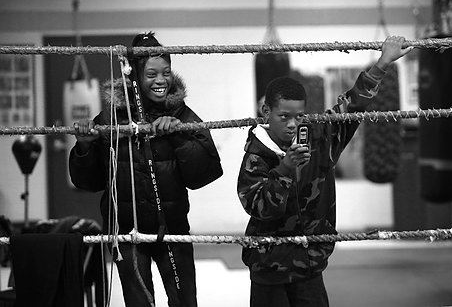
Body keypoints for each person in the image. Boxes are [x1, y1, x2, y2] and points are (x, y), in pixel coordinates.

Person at [237, 36, 411, 307]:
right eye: (284, 116)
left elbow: (351, 105)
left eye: (299, 116)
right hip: (268, 268)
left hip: (309, 264)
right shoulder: (255, 157)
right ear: (266, 112)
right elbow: (260, 209)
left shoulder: (320, 140)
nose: (293, 124)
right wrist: (285, 168)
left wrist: (383, 63)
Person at [69, 32, 223, 307]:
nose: (161, 80)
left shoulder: (182, 115)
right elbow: (88, 182)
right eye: (151, 73)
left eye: (166, 72)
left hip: (173, 229)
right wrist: (84, 147)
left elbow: (206, 173)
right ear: (135, 76)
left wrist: (178, 135)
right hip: (128, 232)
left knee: (184, 301)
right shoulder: (110, 119)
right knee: (139, 302)